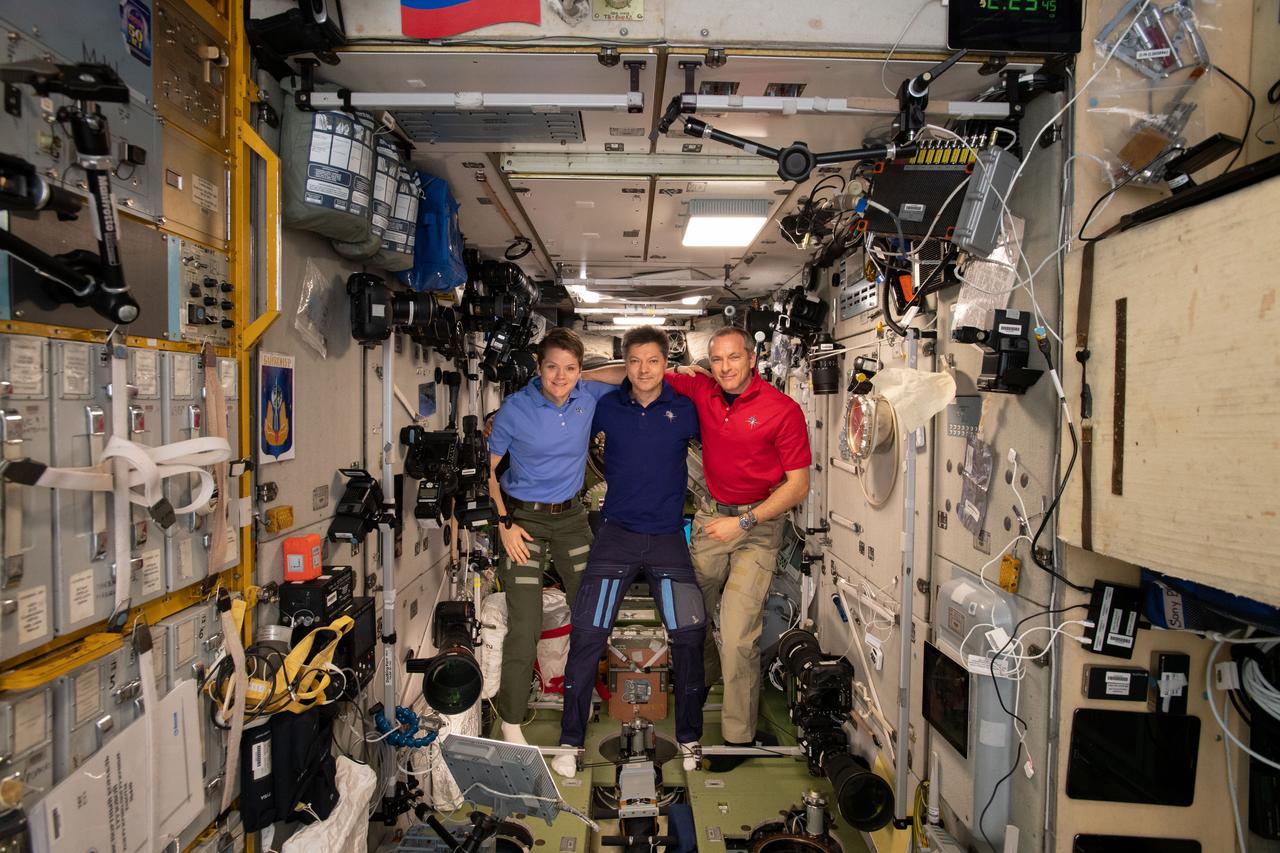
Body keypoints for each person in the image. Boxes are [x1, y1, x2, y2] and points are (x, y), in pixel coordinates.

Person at [550, 326, 706, 778]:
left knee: (689, 636)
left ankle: (690, 737)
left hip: (667, 540)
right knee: (587, 635)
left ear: (666, 364)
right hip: (615, 536)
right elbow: (572, 383)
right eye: (634, 361)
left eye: (653, 361)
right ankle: (570, 742)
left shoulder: (685, 408)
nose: (643, 370)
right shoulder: (605, 406)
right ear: (625, 363)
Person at [661, 325, 811, 767]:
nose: (725, 367)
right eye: (717, 359)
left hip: (757, 526)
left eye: (733, 358)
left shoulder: (782, 411)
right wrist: (578, 377)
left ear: (752, 358)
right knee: (696, 615)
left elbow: (798, 486)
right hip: (710, 517)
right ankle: (707, 678)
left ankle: (738, 736)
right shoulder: (702, 388)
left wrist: (743, 521)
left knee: (738, 631)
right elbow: (642, 372)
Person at [486, 327, 616, 745]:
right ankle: (510, 718)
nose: (561, 377)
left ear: (581, 370)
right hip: (525, 522)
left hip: (573, 520)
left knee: (591, 615)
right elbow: (488, 472)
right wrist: (505, 524)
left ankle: (577, 700)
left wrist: (678, 368)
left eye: (571, 369)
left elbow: (622, 374)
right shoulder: (514, 409)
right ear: (538, 367)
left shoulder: (586, 395)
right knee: (525, 625)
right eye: (552, 367)